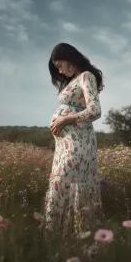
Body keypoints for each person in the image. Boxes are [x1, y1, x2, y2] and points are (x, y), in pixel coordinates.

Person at [44, 42, 105, 238]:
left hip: (79, 143)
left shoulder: (86, 76)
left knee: (69, 181)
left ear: (70, 59)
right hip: (65, 144)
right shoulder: (73, 80)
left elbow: (95, 110)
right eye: (57, 68)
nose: (60, 71)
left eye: (60, 65)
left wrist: (65, 119)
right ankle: (60, 236)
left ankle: (79, 235)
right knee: (61, 182)